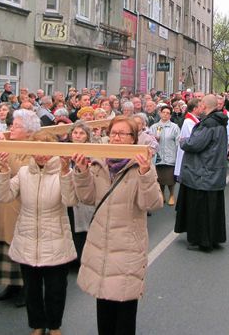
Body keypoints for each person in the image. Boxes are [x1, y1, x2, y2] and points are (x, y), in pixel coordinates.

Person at [72, 116, 163, 335]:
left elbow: (151, 203)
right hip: (101, 244)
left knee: (124, 311)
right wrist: (82, 172)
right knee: (104, 308)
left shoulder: (140, 164)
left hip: (127, 248)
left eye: (123, 134)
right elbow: (87, 197)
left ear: (133, 139)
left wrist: (145, 174)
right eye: (113, 133)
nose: (117, 138)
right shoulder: (100, 161)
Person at [0, 132, 77, 335]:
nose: (41, 155)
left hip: (56, 238)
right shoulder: (23, 173)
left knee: (56, 289)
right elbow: (2, 195)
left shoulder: (63, 171)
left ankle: (55, 325)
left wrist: (66, 173)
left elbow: (70, 201)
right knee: (31, 290)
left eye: (46, 151)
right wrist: (3, 170)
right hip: (27, 238)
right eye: (37, 150)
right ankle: (37, 325)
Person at [0, 110, 40, 306]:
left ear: (28, 130)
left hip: (18, 204)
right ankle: (11, 284)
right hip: (0, 202)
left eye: (16, 126)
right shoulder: (9, 142)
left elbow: (23, 170)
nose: (11, 129)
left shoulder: (34, 146)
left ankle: (28, 287)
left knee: (21, 247)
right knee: (4, 246)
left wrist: (4, 149)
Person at [174, 95, 229, 252]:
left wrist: (183, 141)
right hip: (213, 170)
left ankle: (201, 239)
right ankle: (214, 237)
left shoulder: (209, 123)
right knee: (212, 208)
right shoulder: (219, 122)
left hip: (203, 172)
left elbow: (194, 144)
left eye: (201, 103)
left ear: (204, 105)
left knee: (201, 209)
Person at [66, 122, 96, 262]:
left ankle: (83, 258)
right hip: (69, 192)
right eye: (75, 133)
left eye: (81, 133)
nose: (77, 136)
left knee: (85, 228)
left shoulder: (92, 152)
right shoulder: (64, 150)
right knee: (70, 225)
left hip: (85, 193)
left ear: (87, 136)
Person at [149, 105, 181, 205]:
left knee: (170, 179)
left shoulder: (174, 127)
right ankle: (161, 194)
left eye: (168, 113)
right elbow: (149, 140)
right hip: (158, 157)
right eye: (164, 112)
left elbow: (178, 142)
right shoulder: (154, 127)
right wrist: (154, 139)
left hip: (170, 156)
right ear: (160, 113)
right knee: (160, 178)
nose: (165, 115)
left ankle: (171, 195)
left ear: (170, 115)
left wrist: (178, 155)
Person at [173, 98, 201, 182]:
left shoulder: (194, 119)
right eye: (200, 106)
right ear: (195, 109)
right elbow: (194, 138)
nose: (202, 108)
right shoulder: (189, 121)